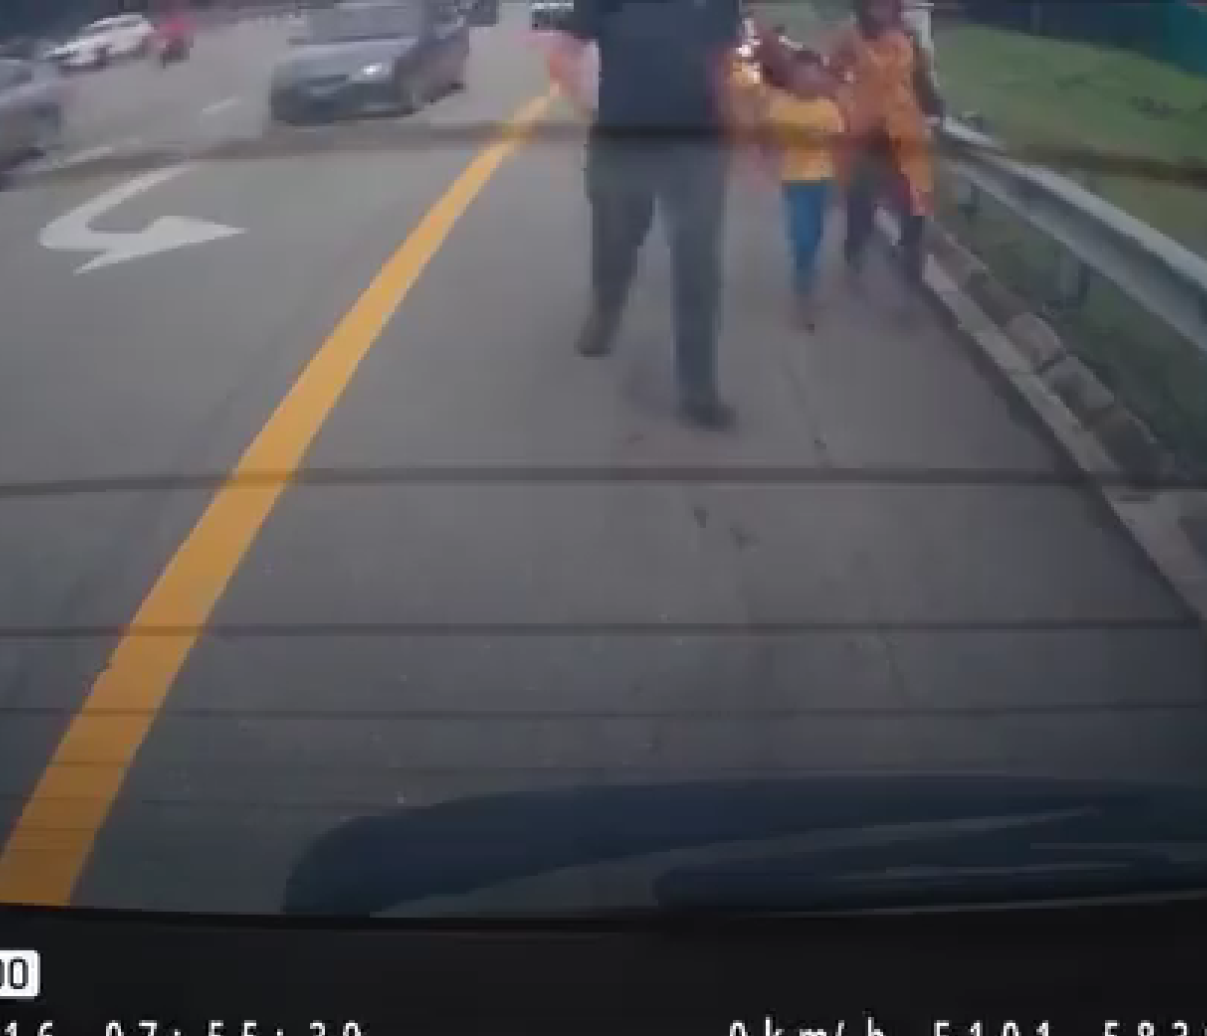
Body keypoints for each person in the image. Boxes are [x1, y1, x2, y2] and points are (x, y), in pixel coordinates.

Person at [545, 0, 743, 430]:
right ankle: (606, 308)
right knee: (616, 241)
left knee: (698, 265)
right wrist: (590, 105)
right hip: (621, 145)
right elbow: (563, 50)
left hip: (697, 147)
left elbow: (723, 64)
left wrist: (737, 128)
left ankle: (698, 390)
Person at [822, 0, 943, 292]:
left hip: (906, 131)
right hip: (866, 130)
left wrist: (936, 110)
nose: (882, 6)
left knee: (914, 204)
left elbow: (921, 79)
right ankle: (855, 250)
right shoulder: (849, 34)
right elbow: (832, 73)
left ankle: (911, 269)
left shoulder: (909, 35)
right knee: (861, 201)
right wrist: (845, 103)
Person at [735, 46, 845, 329]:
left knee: (815, 234)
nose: (808, 82)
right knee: (803, 237)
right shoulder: (781, 106)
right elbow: (765, 135)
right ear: (793, 79)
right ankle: (804, 293)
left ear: (820, 78)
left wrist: (840, 185)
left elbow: (839, 146)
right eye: (801, 77)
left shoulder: (829, 109)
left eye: (813, 76)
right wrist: (762, 158)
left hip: (823, 180)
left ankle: (807, 275)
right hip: (795, 181)